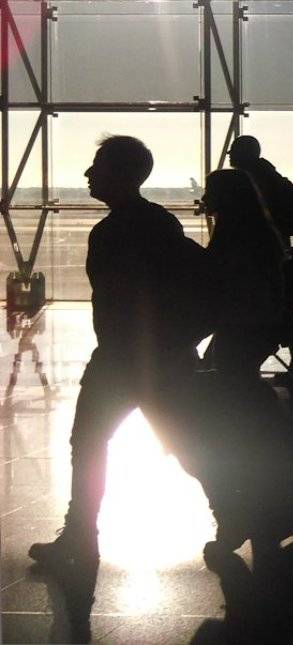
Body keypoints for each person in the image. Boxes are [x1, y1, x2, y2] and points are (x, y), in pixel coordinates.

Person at [29, 136, 203, 575]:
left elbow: (120, 298)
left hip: (122, 357)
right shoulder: (159, 224)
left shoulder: (113, 232)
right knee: (187, 442)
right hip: (161, 355)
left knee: (89, 442)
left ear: (121, 174)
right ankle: (249, 513)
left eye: (98, 166)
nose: (89, 174)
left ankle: (79, 536)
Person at [228, 135, 293, 387]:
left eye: (233, 152)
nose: (230, 157)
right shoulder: (270, 176)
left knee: (264, 312)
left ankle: (241, 369)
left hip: (259, 257)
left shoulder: (250, 181)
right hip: (274, 253)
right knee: (280, 311)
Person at [201, 169, 287, 382]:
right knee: (242, 377)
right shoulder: (258, 235)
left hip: (241, 321)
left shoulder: (231, 238)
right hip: (257, 320)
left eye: (209, 192)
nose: (204, 198)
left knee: (234, 375)